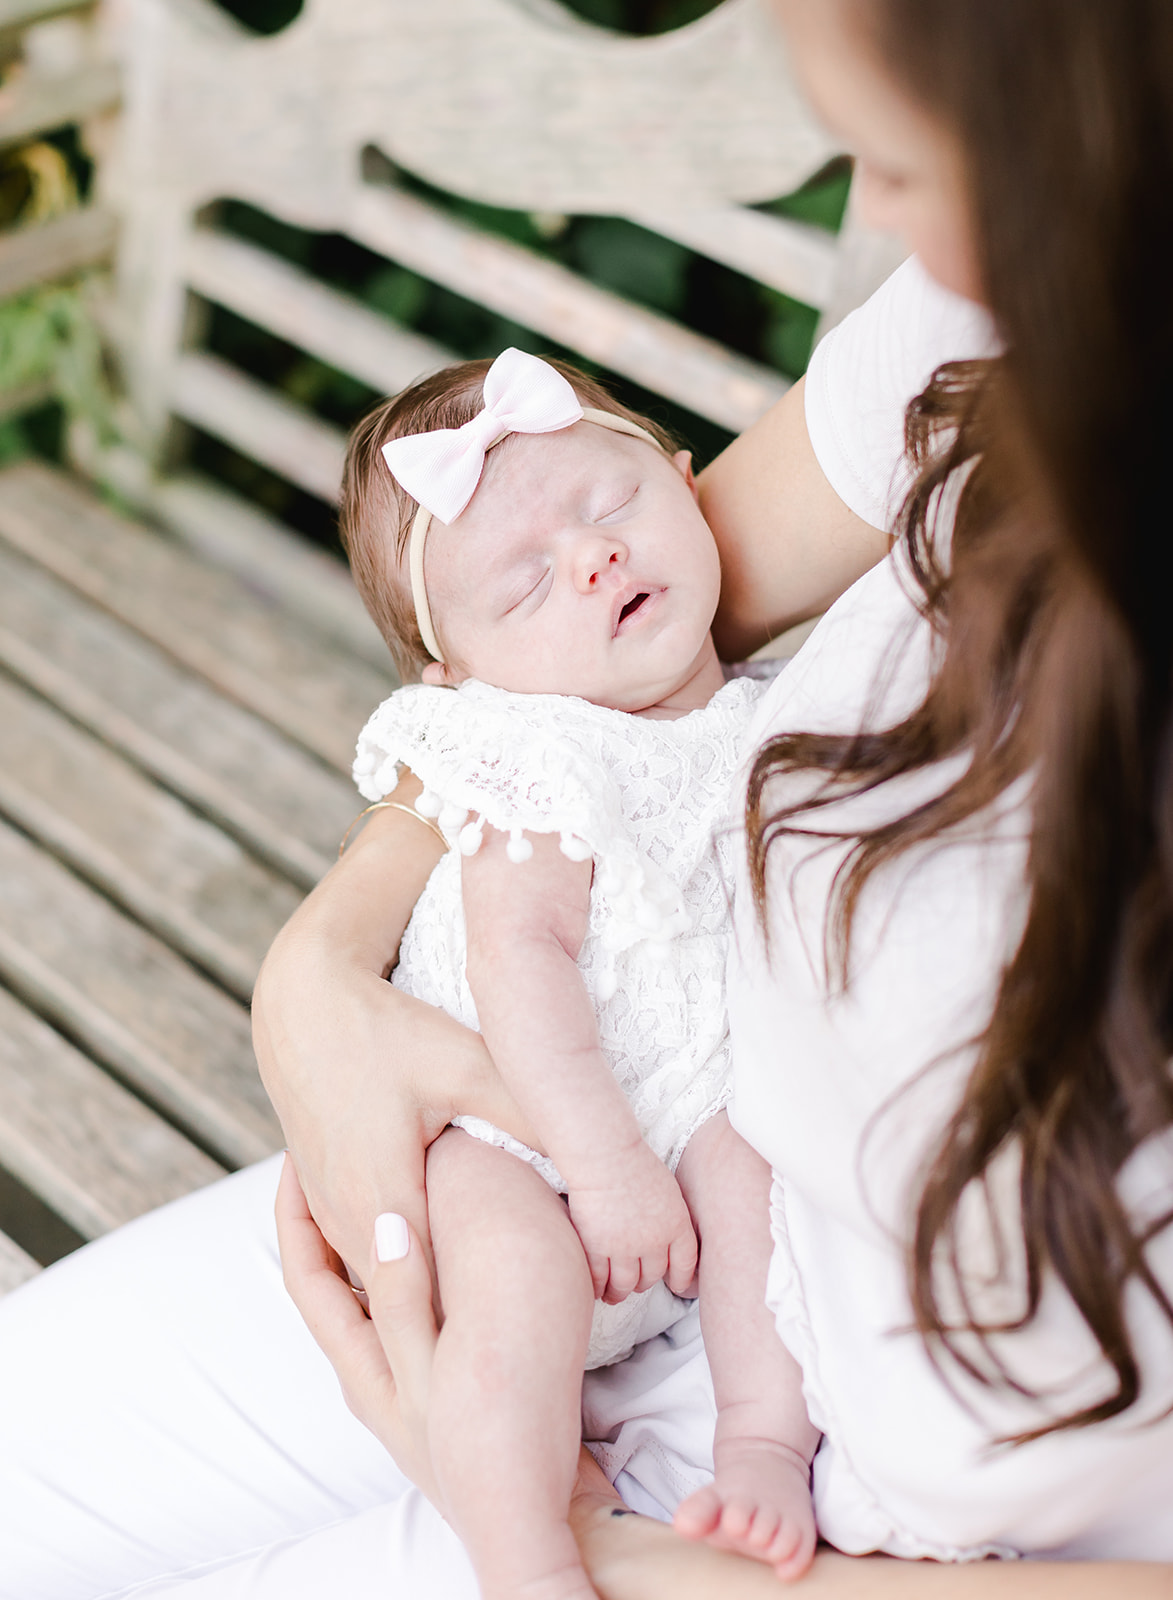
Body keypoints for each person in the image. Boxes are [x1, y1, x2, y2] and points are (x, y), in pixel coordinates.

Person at [2, 0, 1171, 1593]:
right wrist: (323, 967)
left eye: (903, 158)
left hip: (821, 1490)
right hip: (544, 1158)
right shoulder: (997, 306)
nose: (880, 228)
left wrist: (591, 1553)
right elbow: (565, 693)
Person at [336, 346, 818, 1597]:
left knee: (756, 1181)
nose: (594, 558)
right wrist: (601, 1167)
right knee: (514, 1290)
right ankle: (527, 1555)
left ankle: (763, 1440)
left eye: (609, 508)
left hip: (697, 1087)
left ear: (683, 477)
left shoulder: (773, 715)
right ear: (462, 680)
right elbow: (518, 962)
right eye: (523, 581)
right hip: (518, 1127)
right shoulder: (538, 761)